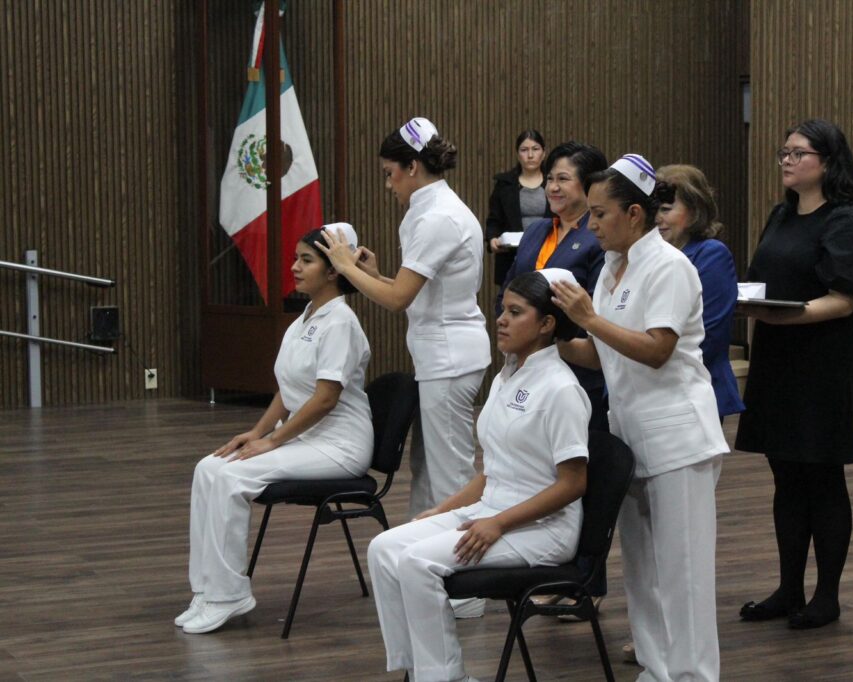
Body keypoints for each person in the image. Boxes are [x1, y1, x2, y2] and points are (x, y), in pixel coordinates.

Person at [552, 154, 730, 682]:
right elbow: (601, 354)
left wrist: (588, 319)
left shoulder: (670, 266)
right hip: (630, 434)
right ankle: (657, 669)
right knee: (642, 571)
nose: (590, 225)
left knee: (683, 573)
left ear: (634, 214)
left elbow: (656, 350)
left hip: (679, 441)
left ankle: (693, 676)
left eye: (599, 214)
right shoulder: (610, 268)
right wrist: (552, 340)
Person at [367, 269, 590, 682]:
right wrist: (443, 509)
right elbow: (495, 469)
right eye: (502, 309)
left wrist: (498, 523)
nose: (501, 320)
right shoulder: (508, 376)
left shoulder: (561, 390)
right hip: (492, 509)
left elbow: (574, 483)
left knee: (416, 562)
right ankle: (418, 670)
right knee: (384, 549)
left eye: (515, 312)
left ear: (546, 324)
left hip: (543, 528)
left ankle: (445, 677)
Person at [177, 225, 373, 635]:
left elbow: (325, 398)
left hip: (339, 446)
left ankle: (229, 594)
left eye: (306, 260)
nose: (295, 267)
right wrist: (257, 432)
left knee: (230, 477)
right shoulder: (304, 317)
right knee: (208, 468)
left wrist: (273, 441)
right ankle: (208, 589)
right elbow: (288, 391)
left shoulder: (341, 322)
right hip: (304, 437)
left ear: (333, 270)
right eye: (296, 258)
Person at [734, 119, 853, 630]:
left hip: (822, 364)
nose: (787, 161)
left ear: (828, 162)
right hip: (777, 359)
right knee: (785, 476)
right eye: (784, 152)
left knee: (822, 477)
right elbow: (762, 279)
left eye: (798, 153)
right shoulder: (782, 214)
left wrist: (784, 316)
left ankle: (827, 596)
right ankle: (788, 588)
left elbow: (844, 300)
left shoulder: (847, 220)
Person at [317, 117, 490, 524]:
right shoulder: (427, 209)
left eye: (389, 173)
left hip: (450, 359)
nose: (387, 184)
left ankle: (463, 564)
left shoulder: (438, 217)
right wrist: (375, 276)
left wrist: (346, 266)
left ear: (412, 166)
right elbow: (415, 293)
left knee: (450, 479)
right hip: (440, 357)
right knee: (427, 470)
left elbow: (398, 300)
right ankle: (424, 552)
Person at [498, 140, 609, 432]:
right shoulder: (537, 230)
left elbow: (596, 309)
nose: (553, 187)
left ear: (589, 185)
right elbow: (508, 288)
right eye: (549, 179)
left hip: (576, 371)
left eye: (563, 179)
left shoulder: (599, 238)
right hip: (525, 368)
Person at [656, 164, 744, 420]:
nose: (657, 218)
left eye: (666, 209)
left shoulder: (711, 254)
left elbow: (707, 335)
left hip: (693, 389)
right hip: (652, 389)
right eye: (654, 209)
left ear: (694, 211)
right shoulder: (650, 255)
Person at [484, 129, 550, 285]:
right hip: (512, 256)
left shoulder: (554, 182)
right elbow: (494, 220)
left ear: (544, 153)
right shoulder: (504, 184)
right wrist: (492, 239)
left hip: (548, 253)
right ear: (517, 154)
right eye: (524, 150)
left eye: (535, 149)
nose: (530, 155)